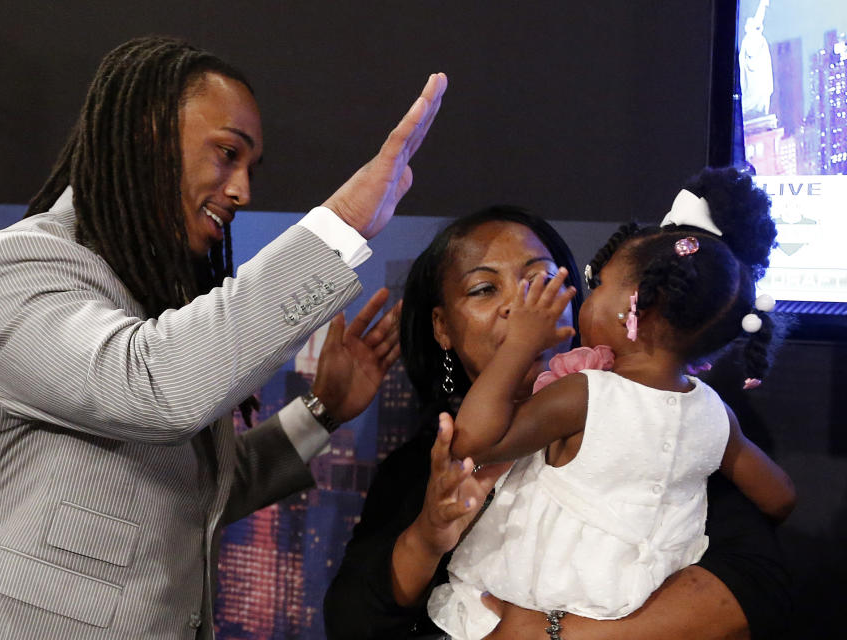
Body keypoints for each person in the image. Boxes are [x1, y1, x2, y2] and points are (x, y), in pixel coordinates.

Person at [0, 36, 447, 639]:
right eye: (227, 153)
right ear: (147, 132)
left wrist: (321, 411)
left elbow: (187, 493)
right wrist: (345, 220)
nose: (242, 190)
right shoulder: (21, 265)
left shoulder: (155, 298)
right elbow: (154, 388)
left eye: (249, 167)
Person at [323, 202, 793, 639]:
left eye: (541, 279)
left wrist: (554, 634)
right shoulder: (419, 466)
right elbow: (352, 621)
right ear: (443, 327)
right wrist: (427, 535)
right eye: (486, 289)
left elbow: (757, 586)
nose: (520, 305)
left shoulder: (670, 426)